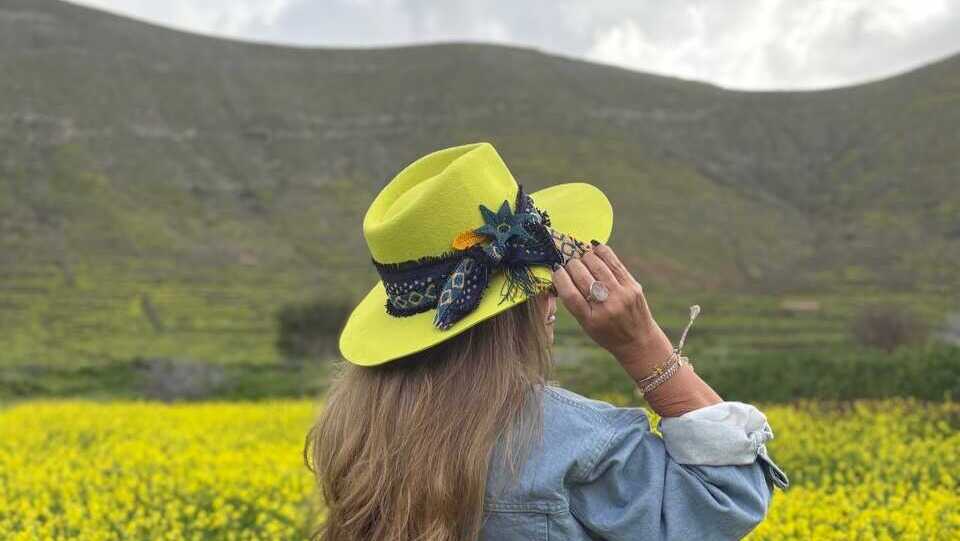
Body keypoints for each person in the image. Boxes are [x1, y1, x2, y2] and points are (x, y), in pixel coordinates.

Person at [306, 142, 789, 541]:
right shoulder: (571, 441)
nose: (553, 296)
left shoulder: (352, 431)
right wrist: (643, 344)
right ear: (523, 305)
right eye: (545, 280)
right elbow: (730, 495)